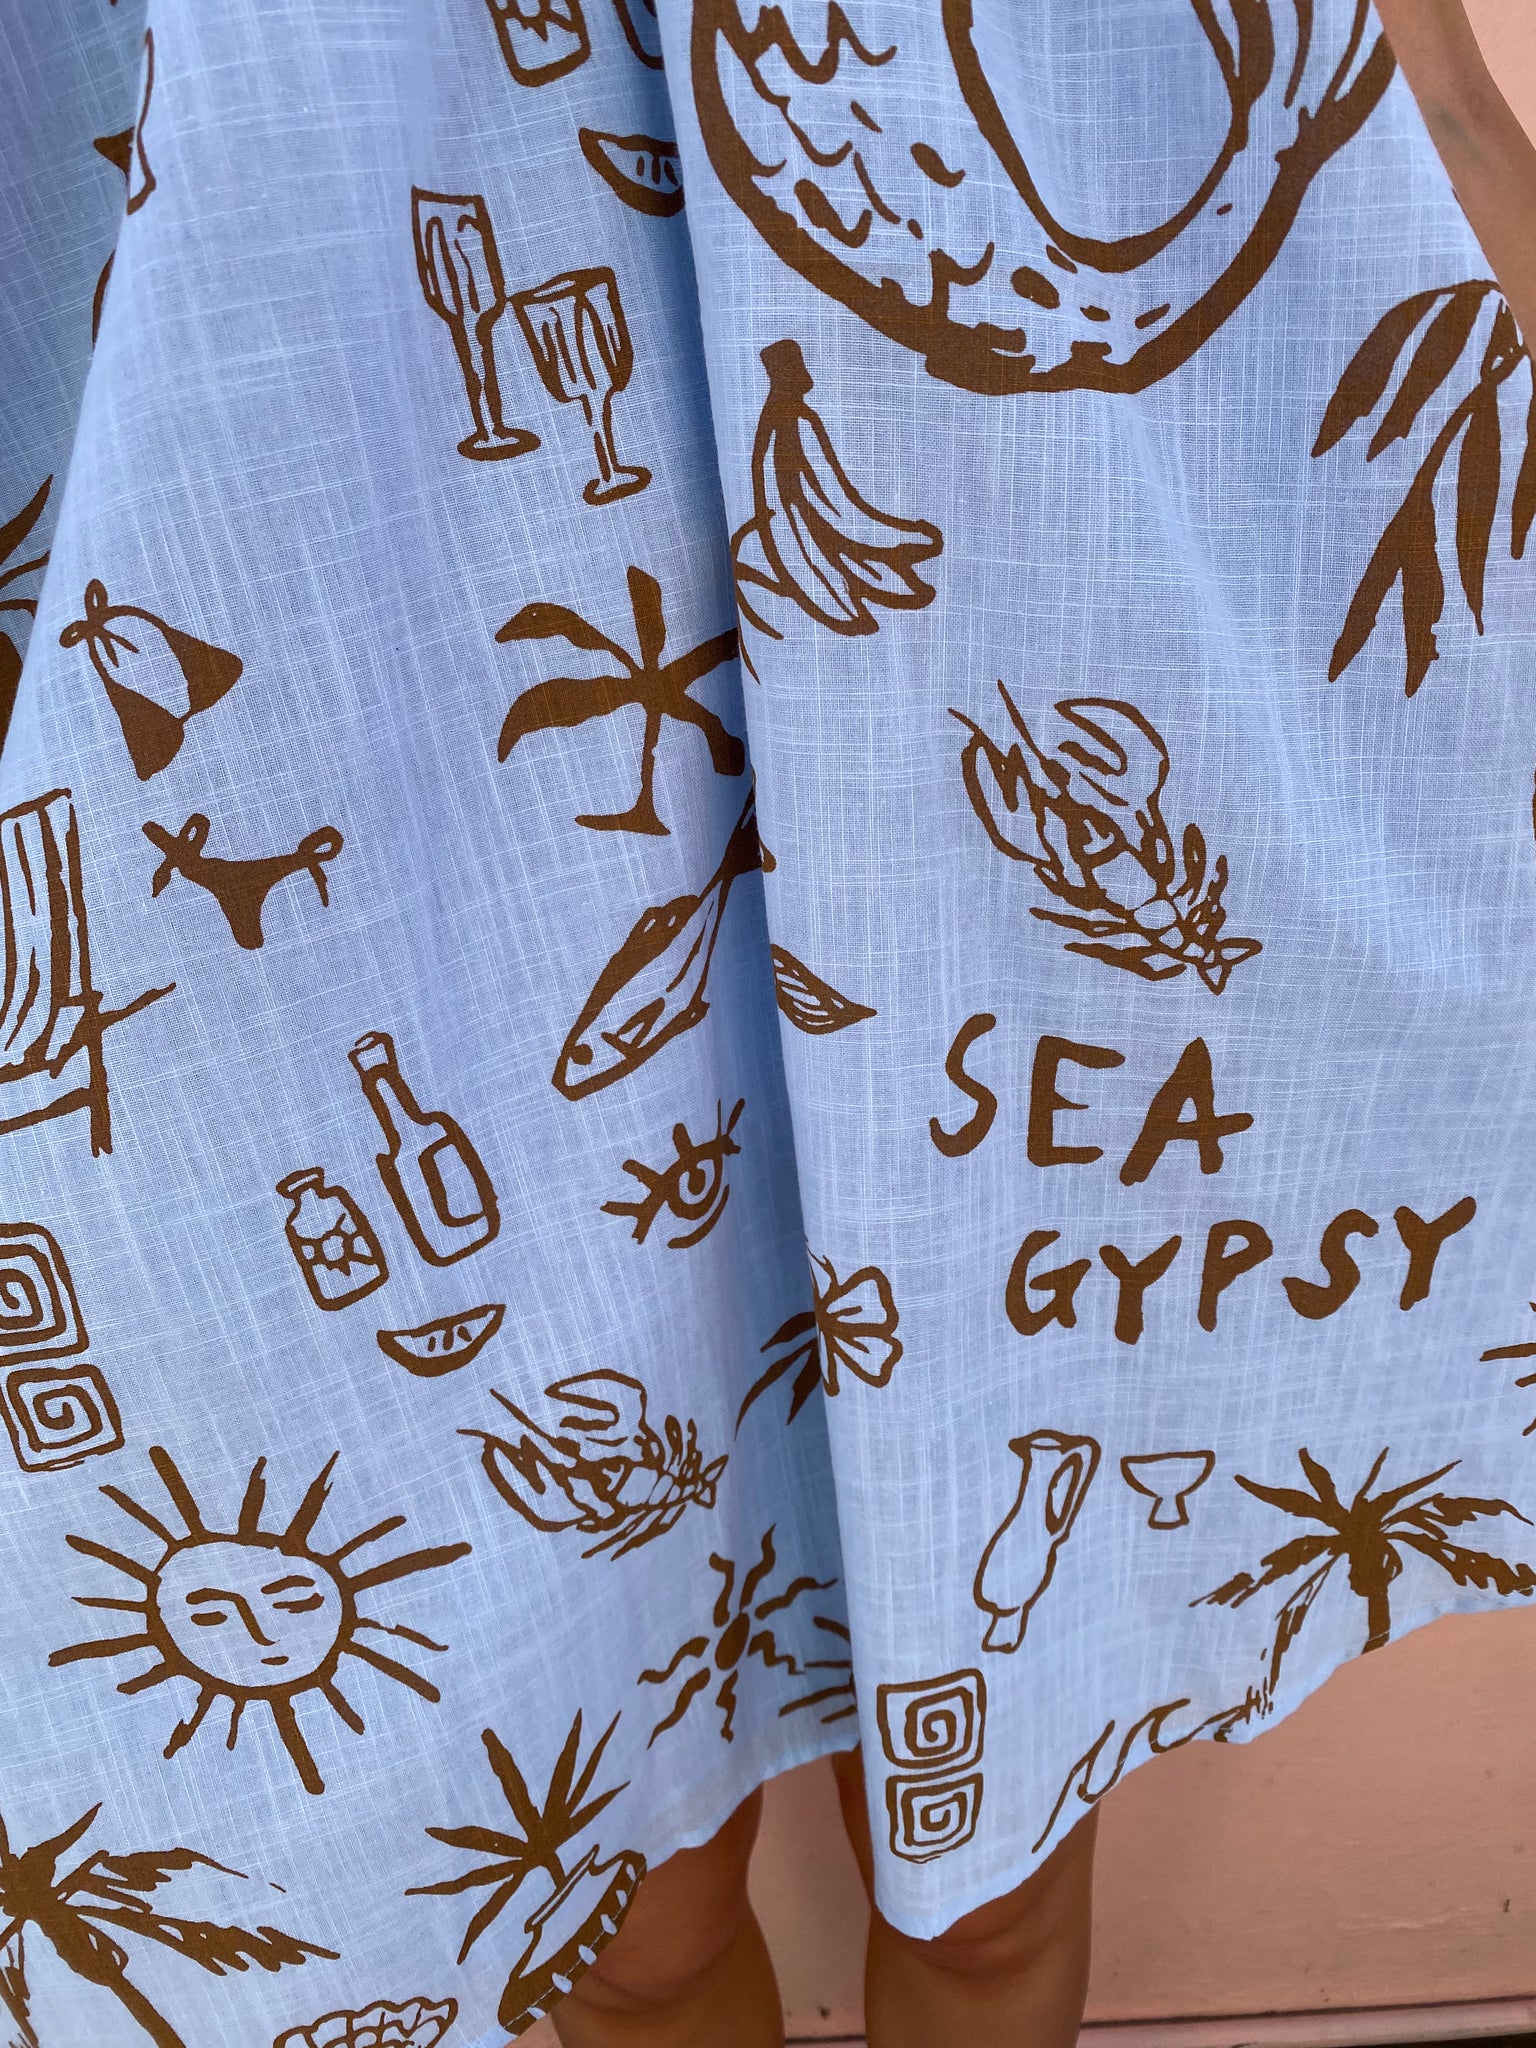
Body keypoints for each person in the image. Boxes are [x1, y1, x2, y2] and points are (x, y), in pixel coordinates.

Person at [550, 3, 1536, 2043]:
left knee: (981, 1880)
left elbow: (1411, 102)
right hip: (515, 687)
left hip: (1014, 665)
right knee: (628, 1919)